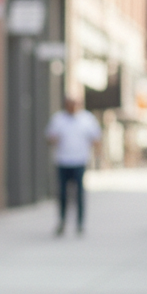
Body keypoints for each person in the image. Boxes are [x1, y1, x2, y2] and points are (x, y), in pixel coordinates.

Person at [45, 97, 101, 235]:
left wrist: (97, 156)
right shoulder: (58, 119)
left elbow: (96, 138)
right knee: (63, 194)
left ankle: (80, 223)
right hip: (63, 161)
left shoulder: (87, 119)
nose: (72, 107)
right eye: (69, 105)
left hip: (79, 161)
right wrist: (53, 140)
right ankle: (62, 221)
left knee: (79, 194)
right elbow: (49, 137)